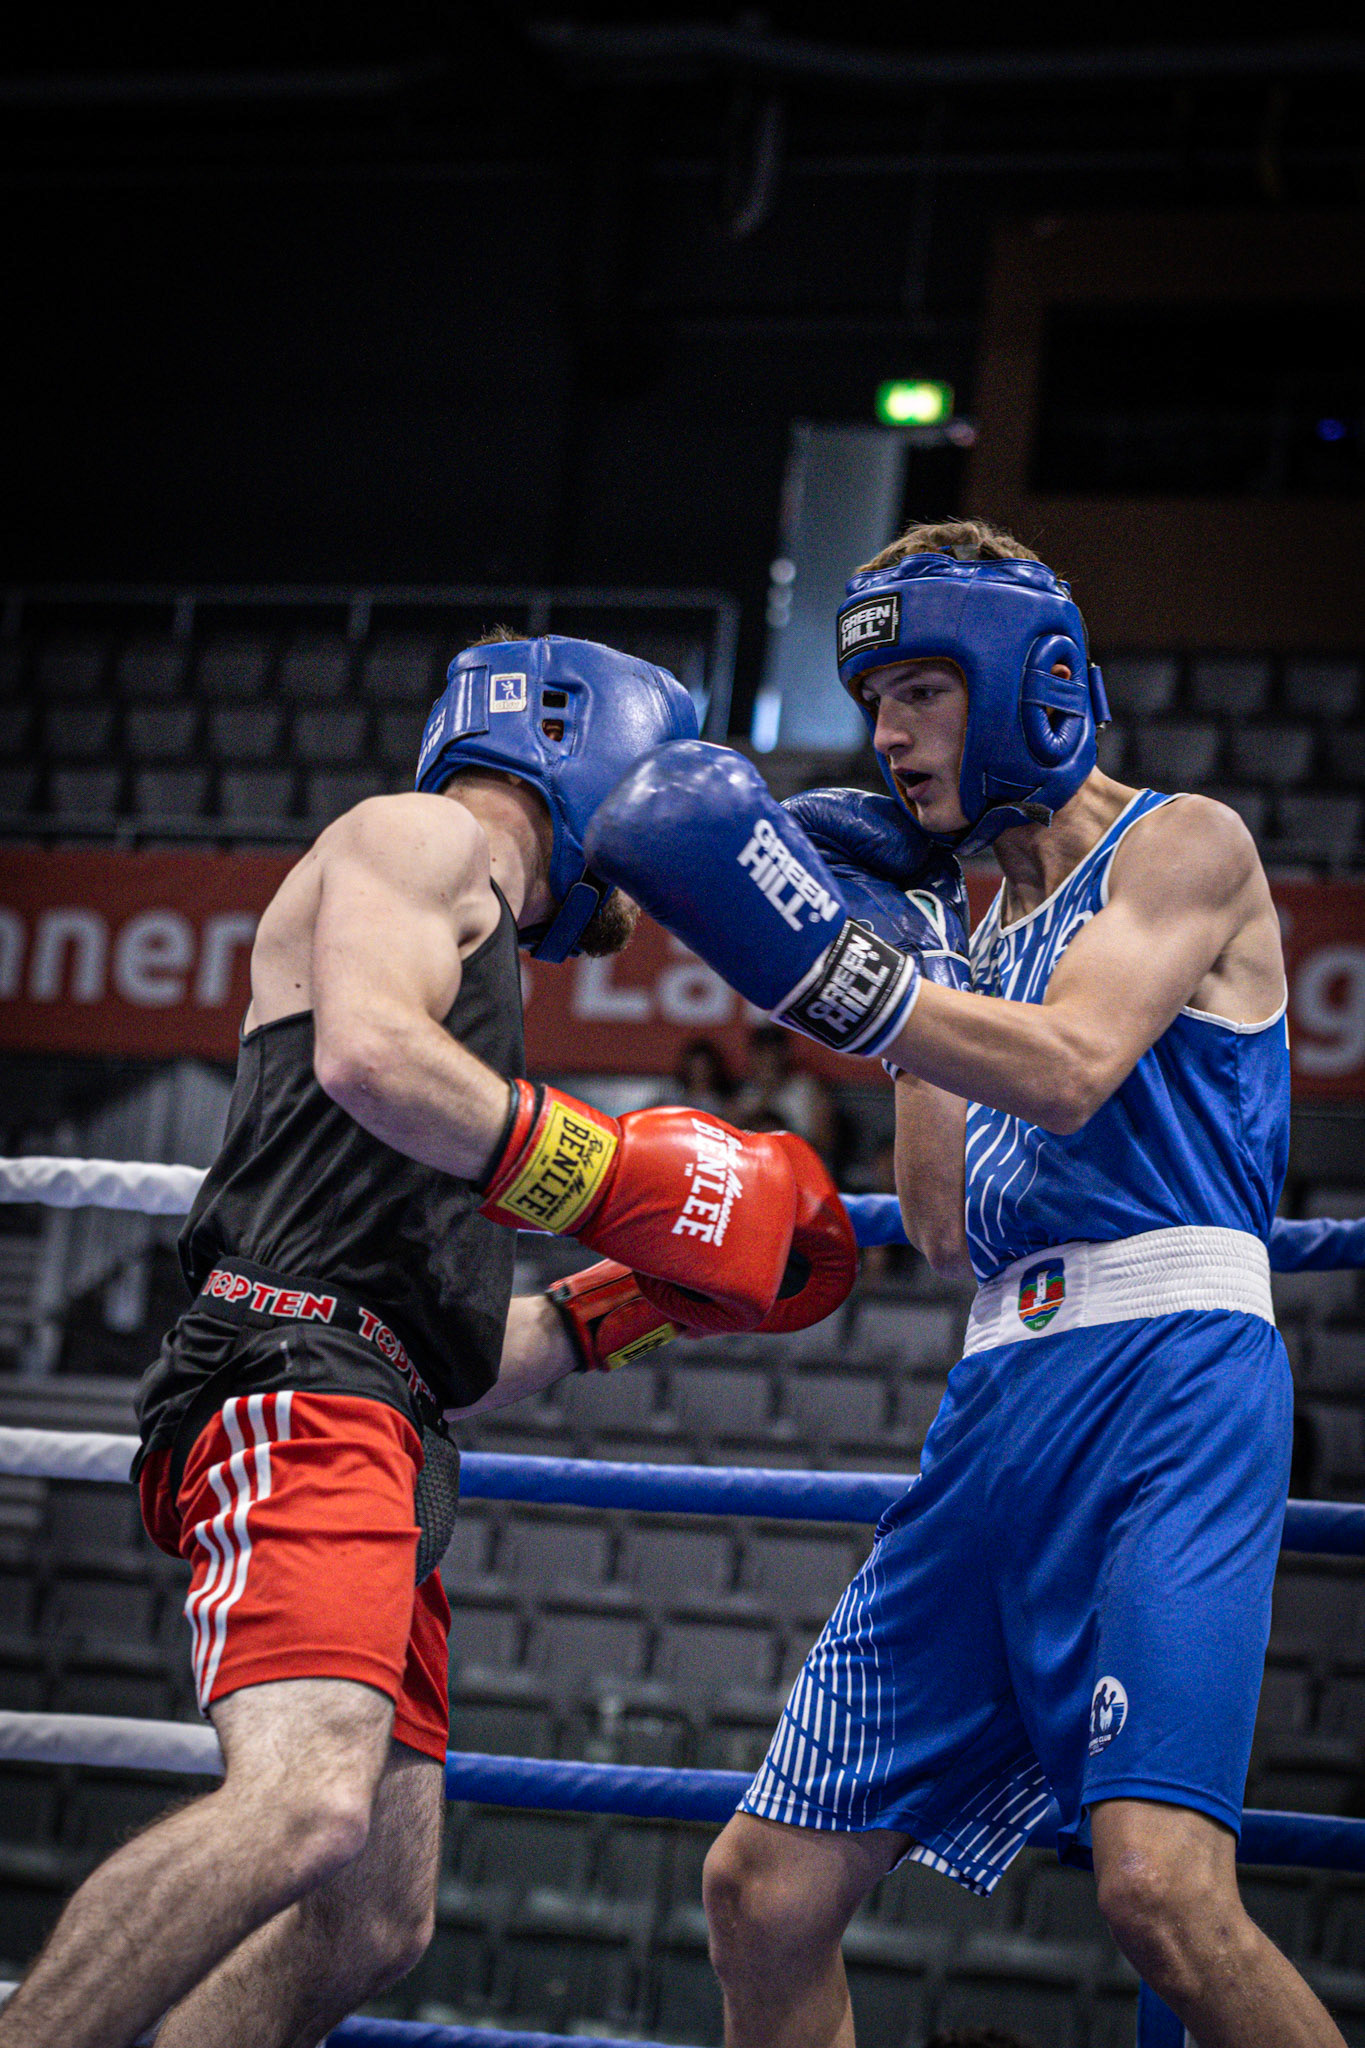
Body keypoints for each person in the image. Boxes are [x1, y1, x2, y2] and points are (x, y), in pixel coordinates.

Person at [0, 634, 856, 2048]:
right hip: (295, 1381)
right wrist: (622, 1179)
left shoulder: (481, 1007)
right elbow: (366, 1056)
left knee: (373, 1918)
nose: (651, 877)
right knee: (302, 1804)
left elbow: (444, 1346)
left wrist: (634, 1303)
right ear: (582, 747)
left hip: (379, 1405)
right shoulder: (422, 838)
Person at [586, 522, 1346, 2048]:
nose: (886, 735)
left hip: (1170, 1386)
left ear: (1025, 682)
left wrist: (834, 974)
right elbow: (942, 1227)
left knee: (1163, 1900)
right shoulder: (975, 930)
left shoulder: (1183, 846)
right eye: (876, 700)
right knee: (761, 1892)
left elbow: (1067, 1070)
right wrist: (918, 953)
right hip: (999, 1400)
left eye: (922, 690)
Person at [732, 1024, 839, 1169]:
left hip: (801, 1164)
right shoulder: (745, 1094)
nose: (769, 1060)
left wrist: (787, 1145)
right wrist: (766, 1094)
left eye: (773, 1053)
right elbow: (731, 1141)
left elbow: (827, 1142)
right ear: (753, 1056)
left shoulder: (806, 1088)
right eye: (762, 1054)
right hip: (754, 1166)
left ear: (785, 1054)